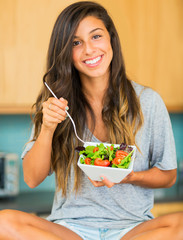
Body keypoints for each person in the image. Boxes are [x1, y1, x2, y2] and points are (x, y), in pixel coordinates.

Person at [0, 1, 182, 239]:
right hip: (70, 229)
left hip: (131, 228)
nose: (89, 49)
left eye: (96, 36)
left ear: (110, 40)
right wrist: (47, 128)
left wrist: (131, 177)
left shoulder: (148, 101)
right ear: (65, 52)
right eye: (76, 43)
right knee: (4, 222)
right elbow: (32, 178)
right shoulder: (55, 104)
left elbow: (168, 175)